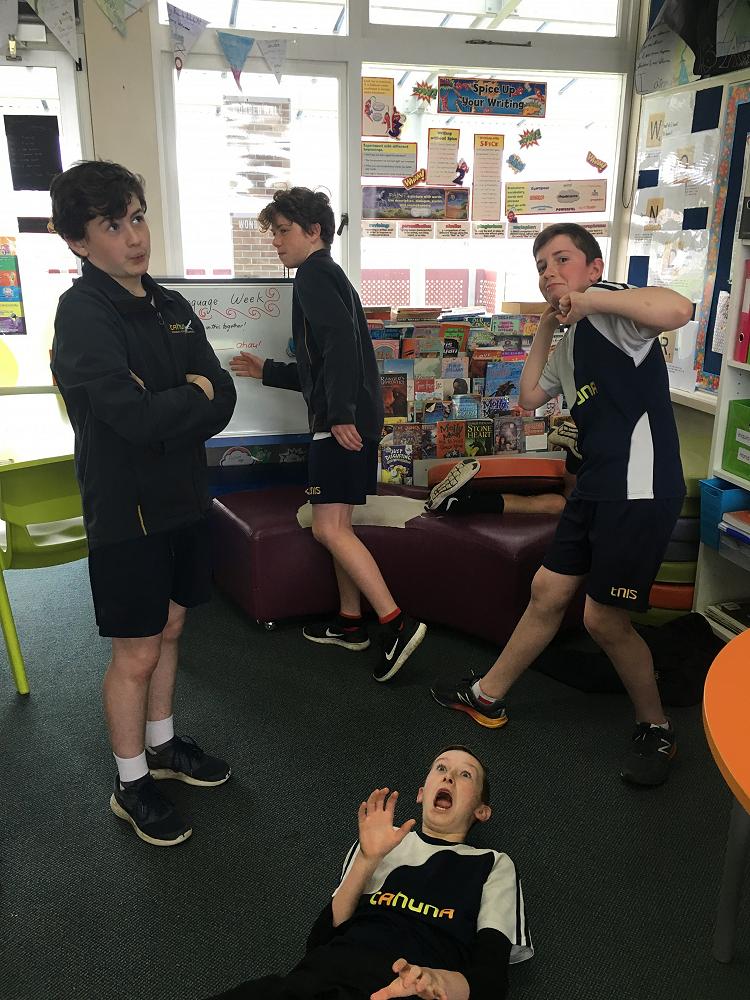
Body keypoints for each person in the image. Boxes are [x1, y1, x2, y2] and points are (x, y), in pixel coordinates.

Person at [432, 222, 693, 787]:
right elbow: (530, 397)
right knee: (548, 590)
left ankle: (656, 727)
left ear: (594, 268)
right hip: (596, 484)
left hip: (639, 487)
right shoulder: (572, 341)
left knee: (603, 619)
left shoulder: (616, 313)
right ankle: (487, 696)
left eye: (562, 259)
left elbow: (679, 308)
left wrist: (591, 299)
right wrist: (548, 326)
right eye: (541, 266)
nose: (549, 271)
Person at [50, 160, 237, 846]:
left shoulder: (171, 304)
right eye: (112, 225)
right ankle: (130, 783)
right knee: (135, 651)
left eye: (136, 217)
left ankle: (162, 747)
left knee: (173, 628)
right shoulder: (82, 314)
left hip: (184, 495)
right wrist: (192, 396)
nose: (134, 237)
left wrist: (182, 400)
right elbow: (132, 418)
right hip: (125, 510)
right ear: (78, 240)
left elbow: (224, 395)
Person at [229, 188, 426, 683]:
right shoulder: (328, 275)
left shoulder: (314, 274)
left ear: (313, 231)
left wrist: (338, 415)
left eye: (283, 231)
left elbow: (338, 345)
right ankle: (350, 622)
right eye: (273, 232)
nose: (276, 241)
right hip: (352, 417)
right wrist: (268, 370)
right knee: (339, 525)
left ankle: (396, 623)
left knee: (328, 529)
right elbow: (323, 363)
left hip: (341, 424)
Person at [206, 745, 532, 999]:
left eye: (465, 775)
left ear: (481, 811)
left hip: (404, 990)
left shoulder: (493, 864)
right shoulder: (380, 840)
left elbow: (490, 983)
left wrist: (437, 981)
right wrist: (366, 858)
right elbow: (319, 941)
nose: (448, 777)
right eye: (441, 768)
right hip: (319, 978)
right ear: (421, 792)